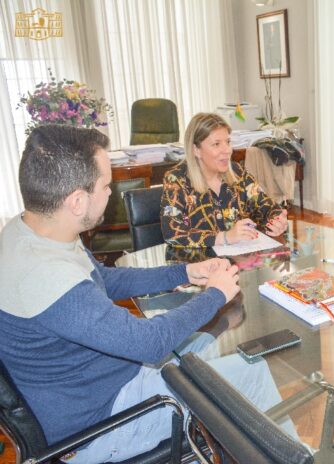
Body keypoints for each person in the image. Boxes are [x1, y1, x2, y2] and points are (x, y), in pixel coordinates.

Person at [0, 125, 241, 462]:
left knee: (217, 351)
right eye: (106, 185)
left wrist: (185, 272)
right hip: (102, 423)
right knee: (244, 381)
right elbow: (149, 342)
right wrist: (215, 294)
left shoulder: (32, 232)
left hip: (101, 383)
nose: (110, 193)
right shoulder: (47, 277)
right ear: (77, 201)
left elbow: (104, 279)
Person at [161, 112, 288, 248]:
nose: (227, 150)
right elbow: (172, 233)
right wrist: (225, 237)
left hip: (241, 257)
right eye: (216, 144)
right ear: (196, 150)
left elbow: (268, 207)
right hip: (201, 260)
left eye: (228, 142)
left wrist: (277, 221)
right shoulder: (176, 180)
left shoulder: (238, 173)